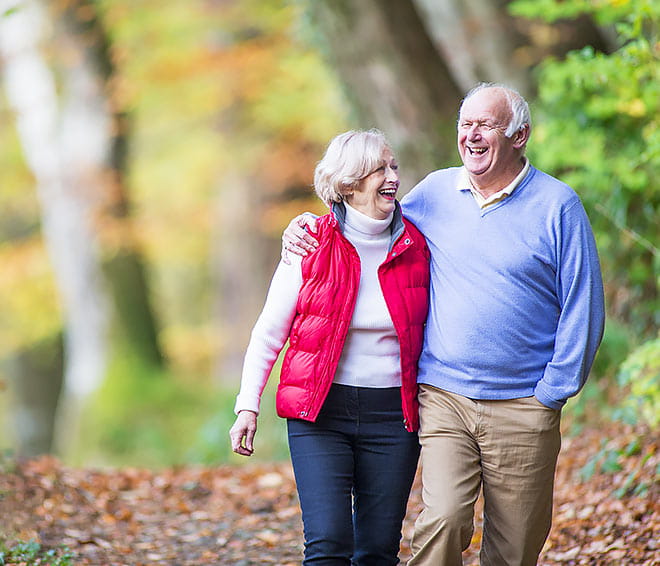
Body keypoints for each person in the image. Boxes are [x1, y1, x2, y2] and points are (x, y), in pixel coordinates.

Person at [281, 83, 605, 566]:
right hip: (443, 395)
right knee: (445, 521)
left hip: (523, 403)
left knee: (515, 546)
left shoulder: (558, 207)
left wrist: (552, 392)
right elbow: (368, 223)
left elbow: (584, 305)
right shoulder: (434, 192)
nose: (472, 136)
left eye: (486, 125)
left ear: (520, 135)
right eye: (465, 125)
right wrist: (307, 225)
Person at [229, 129, 430, 565]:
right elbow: (269, 333)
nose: (392, 175)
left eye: (393, 165)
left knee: (377, 549)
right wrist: (248, 406)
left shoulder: (418, 244)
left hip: (393, 418)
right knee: (328, 543)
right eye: (380, 168)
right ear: (348, 184)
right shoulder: (310, 243)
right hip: (321, 414)